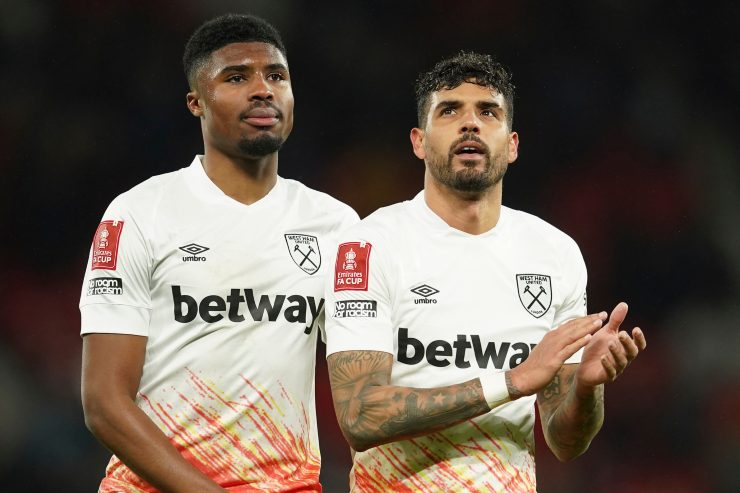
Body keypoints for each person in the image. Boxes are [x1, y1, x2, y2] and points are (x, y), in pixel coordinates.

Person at [324, 51, 646, 492]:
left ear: (512, 145)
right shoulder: (368, 247)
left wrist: (586, 390)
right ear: (419, 142)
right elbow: (360, 416)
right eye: (449, 111)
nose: (470, 124)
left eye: (488, 112)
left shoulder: (555, 254)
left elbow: (565, 442)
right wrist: (512, 381)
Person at [80, 14, 358, 493]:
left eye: (276, 76)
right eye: (236, 78)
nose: (263, 90)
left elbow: (368, 388)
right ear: (196, 102)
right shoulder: (139, 213)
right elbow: (104, 402)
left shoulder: (336, 226)